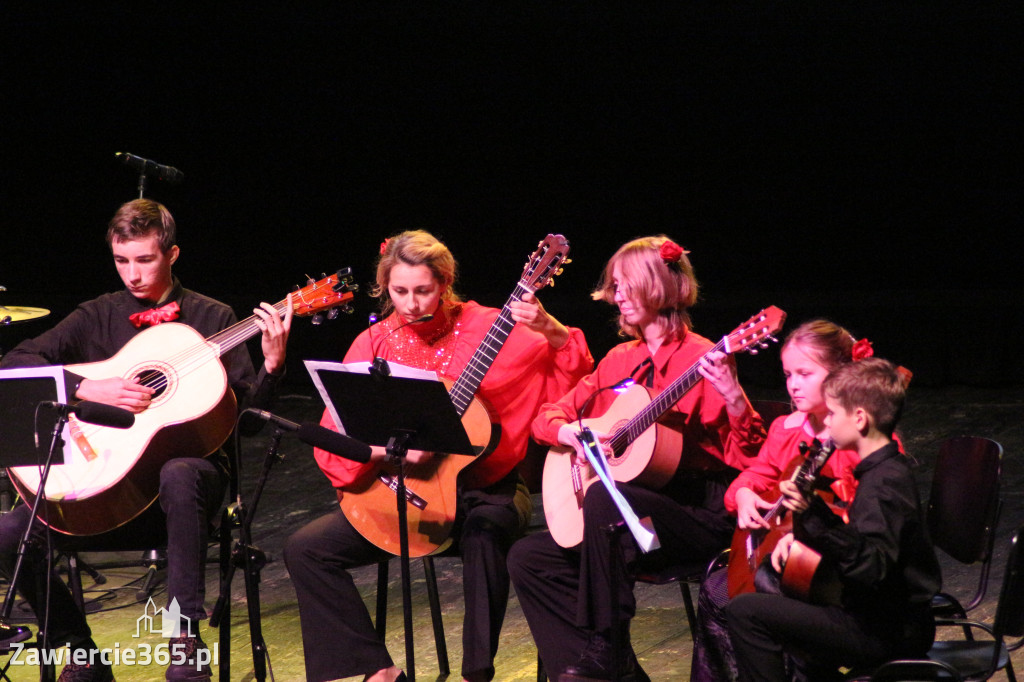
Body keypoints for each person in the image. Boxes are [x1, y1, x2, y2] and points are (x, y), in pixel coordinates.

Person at [0, 198, 292, 682]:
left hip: (183, 496)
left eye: (145, 260)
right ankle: (79, 650)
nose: (132, 274)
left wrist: (274, 368)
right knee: (7, 534)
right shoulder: (95, 316)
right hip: (101, 486)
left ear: (172, 255)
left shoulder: (213, 316)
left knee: (180, 472)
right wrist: (85, 386)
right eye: (121, 261)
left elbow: (250, 424)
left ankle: (183, 637)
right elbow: (14, 365)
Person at [283, 230, 593, 682]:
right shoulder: (374, 343)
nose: (410, 303)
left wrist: (551, 328)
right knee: (305, 549)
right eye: (399, 291)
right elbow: (335, 438)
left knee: (485, 536)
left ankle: (475, 673)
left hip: (487, 489)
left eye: (423, 290)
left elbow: (578, 382)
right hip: (401, 492)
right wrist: (387, 454)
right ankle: (377, 670)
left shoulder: (494, 325)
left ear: (445, 282)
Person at [507, 235, 767, 681]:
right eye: (614, 286)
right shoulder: (618, 359)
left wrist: (733, 395)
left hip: (692, 515)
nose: (616, 295)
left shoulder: (703, 357)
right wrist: (569, 431)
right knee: (529, 557)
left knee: (605, 501)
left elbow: (753, 459)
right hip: (627, 523)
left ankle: (606, 648)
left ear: (658, 286)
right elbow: (548, 417)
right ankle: (615, 672)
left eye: (626, 284)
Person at [725, 357, 939, 682]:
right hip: (881, 618)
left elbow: (872, 567)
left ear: (859, 418)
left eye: (834, 414)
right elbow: (861, 548)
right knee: (783, 592)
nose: (828, 423)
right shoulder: (883, 472)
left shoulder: (884, 484)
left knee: (746, 612)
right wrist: (807, 519)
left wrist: (813, 514)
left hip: (886, 629)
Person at [690, 319, 871, 682]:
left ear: (840, 375)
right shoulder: (786, 429)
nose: (793, 384)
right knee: (717, 589)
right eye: (789, 374)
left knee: (759, 604)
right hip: (788, 564)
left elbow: (867, 516)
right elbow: (755, 476)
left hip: (840, 578)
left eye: (805, 373)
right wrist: (742, 494)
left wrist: (809, 534)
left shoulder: (863, 437)